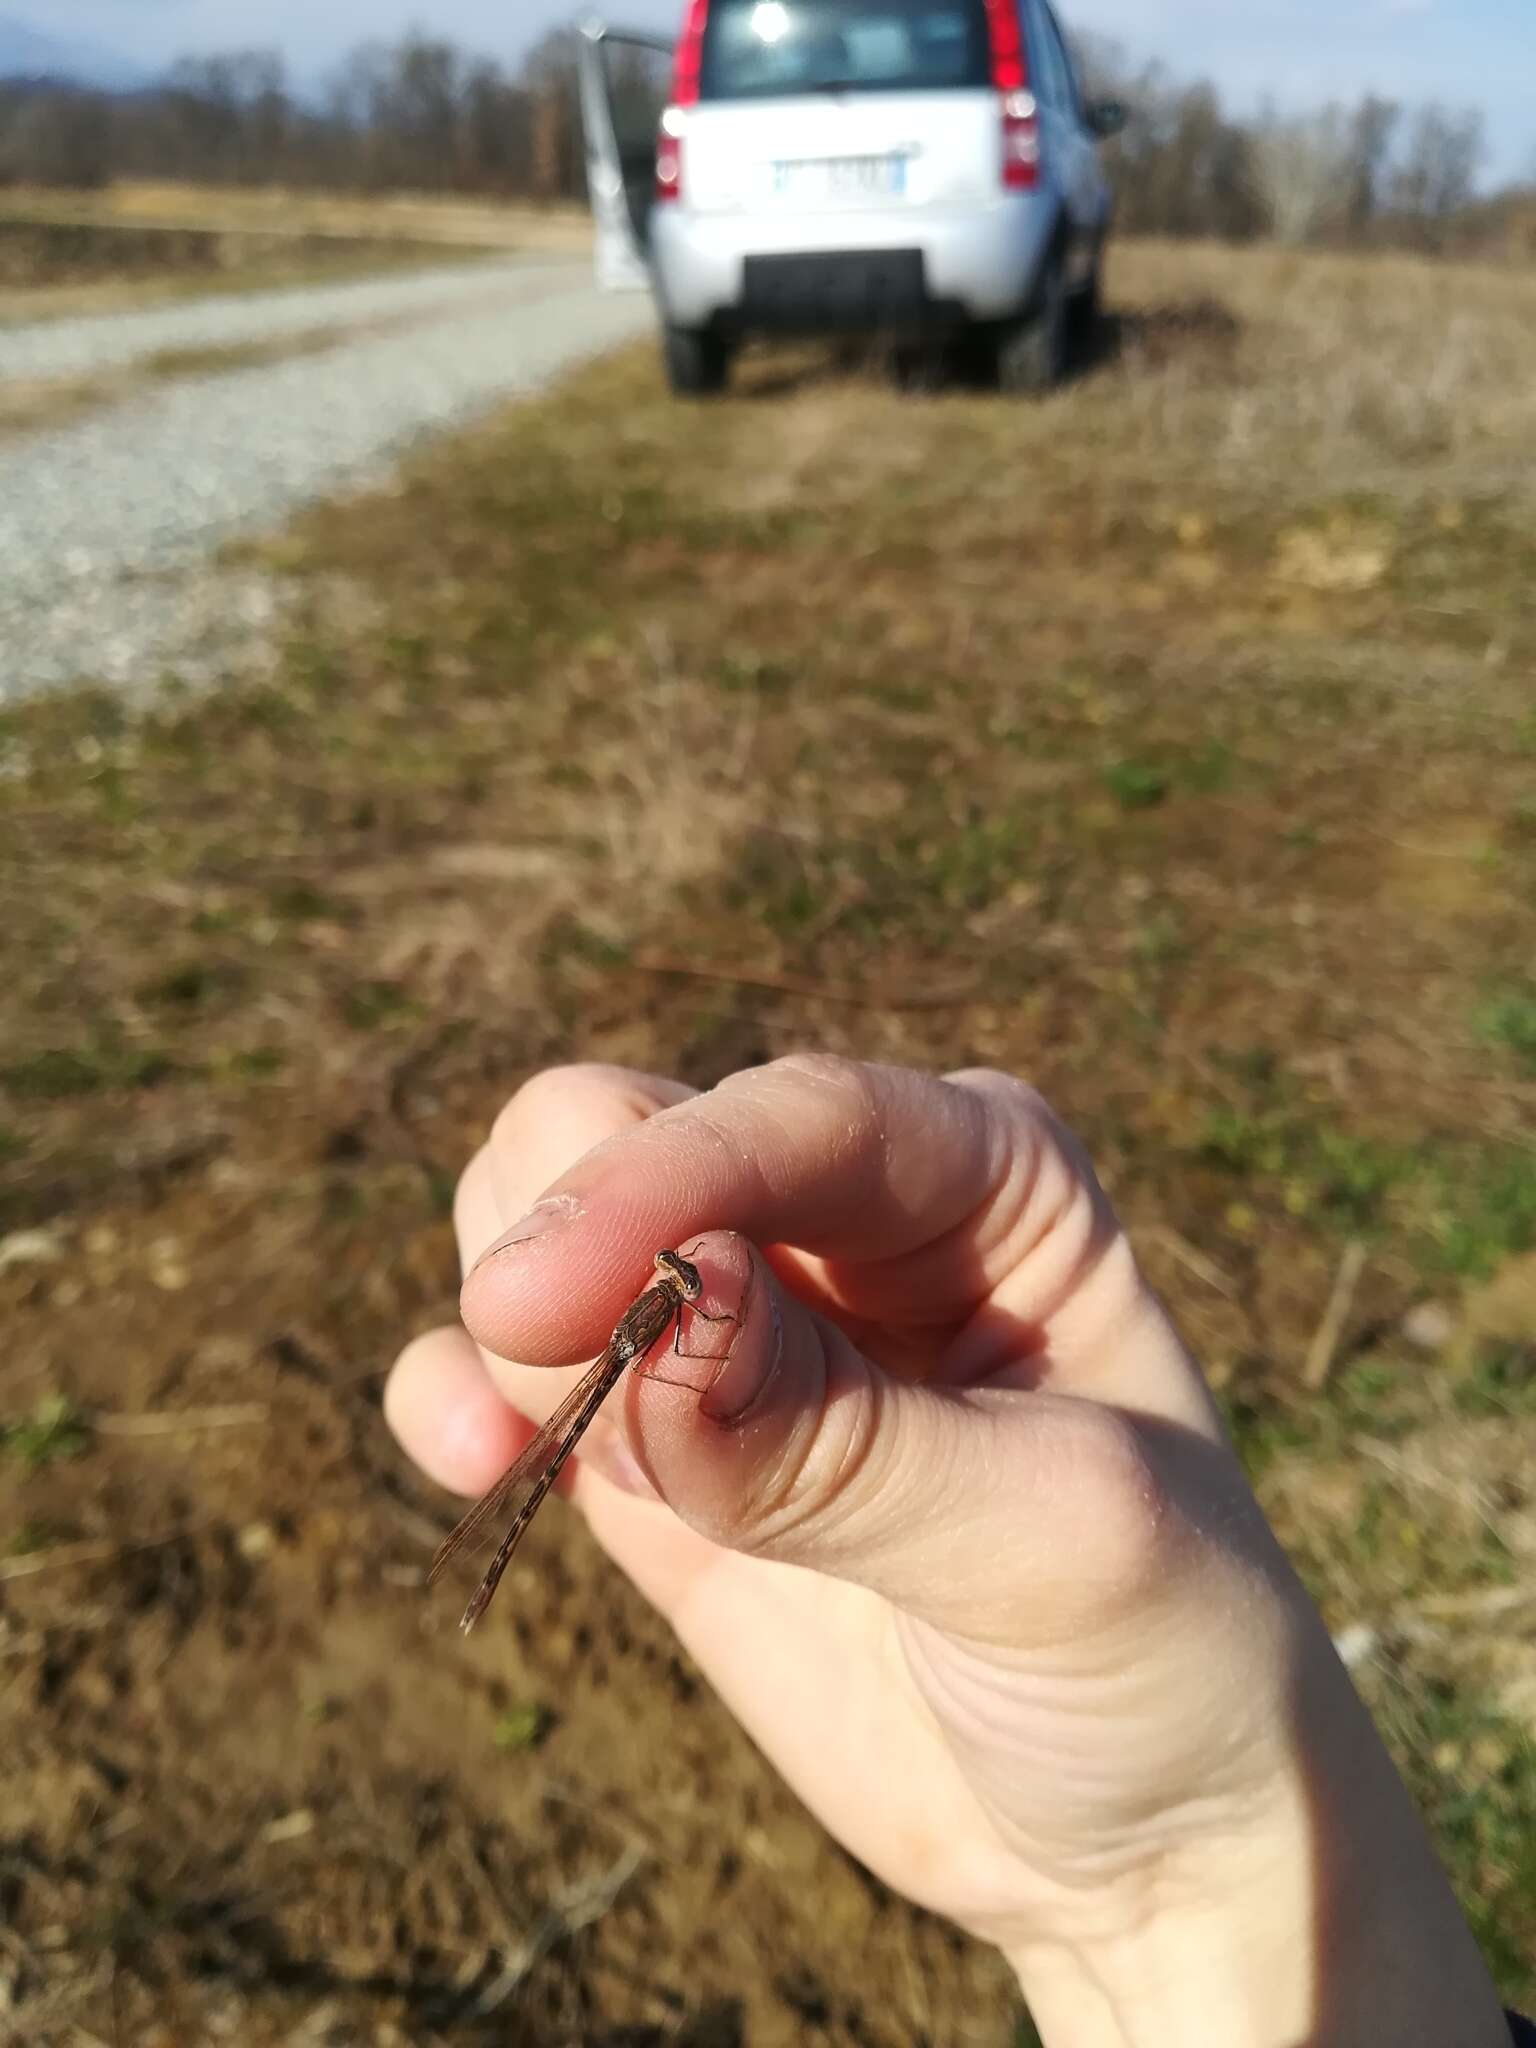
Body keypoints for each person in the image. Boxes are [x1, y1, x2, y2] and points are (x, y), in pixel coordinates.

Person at [385, 1056, 1531, 2045]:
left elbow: (686, 1344)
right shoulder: (656, 1320)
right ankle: (476, 1556)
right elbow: (669, 1353)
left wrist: (1173, 1891)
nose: (679, 1285)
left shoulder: (681, 1304)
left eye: (675, 1282)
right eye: (672, 1283)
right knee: (547, 1431)